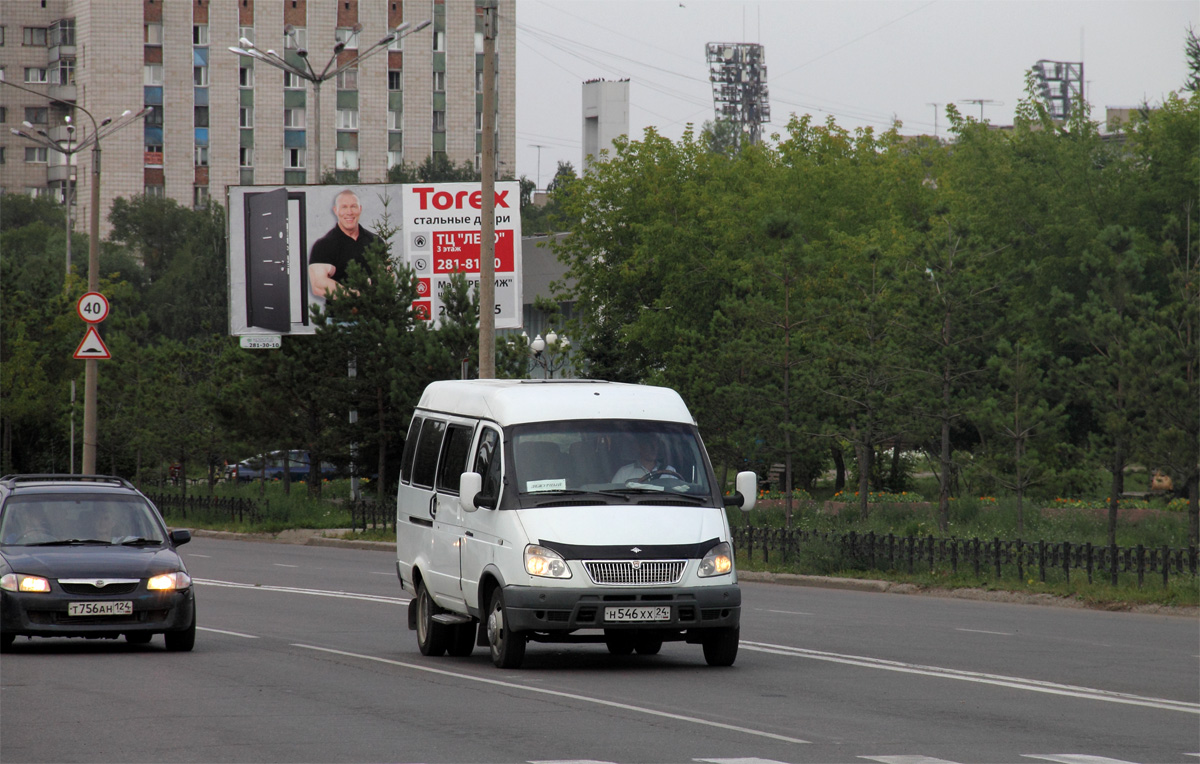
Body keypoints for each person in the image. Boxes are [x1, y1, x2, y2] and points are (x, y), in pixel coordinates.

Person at [308, 189, 380, 298]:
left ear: (360, 209)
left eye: (353, 206)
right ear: (335, 210)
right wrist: (355, 295)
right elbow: (318, 285)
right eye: (344, 207)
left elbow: (388, 276)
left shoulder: (375, 241)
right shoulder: (324, 245)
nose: (349, 212)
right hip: (341, 309)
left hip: (374, 308)